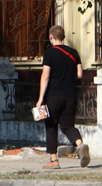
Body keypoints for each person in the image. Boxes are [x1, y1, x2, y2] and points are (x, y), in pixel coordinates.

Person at [36, 25, 90, 168]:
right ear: (64, 37)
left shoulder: (49, 54)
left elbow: (45, 76)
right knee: (67, 125)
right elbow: (79, 74)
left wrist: (40, 98)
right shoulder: (74, 53)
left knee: (51, 126)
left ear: (51, 37)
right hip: (71, 95)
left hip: (53, 96)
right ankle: (80, 144)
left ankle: (54, 160)